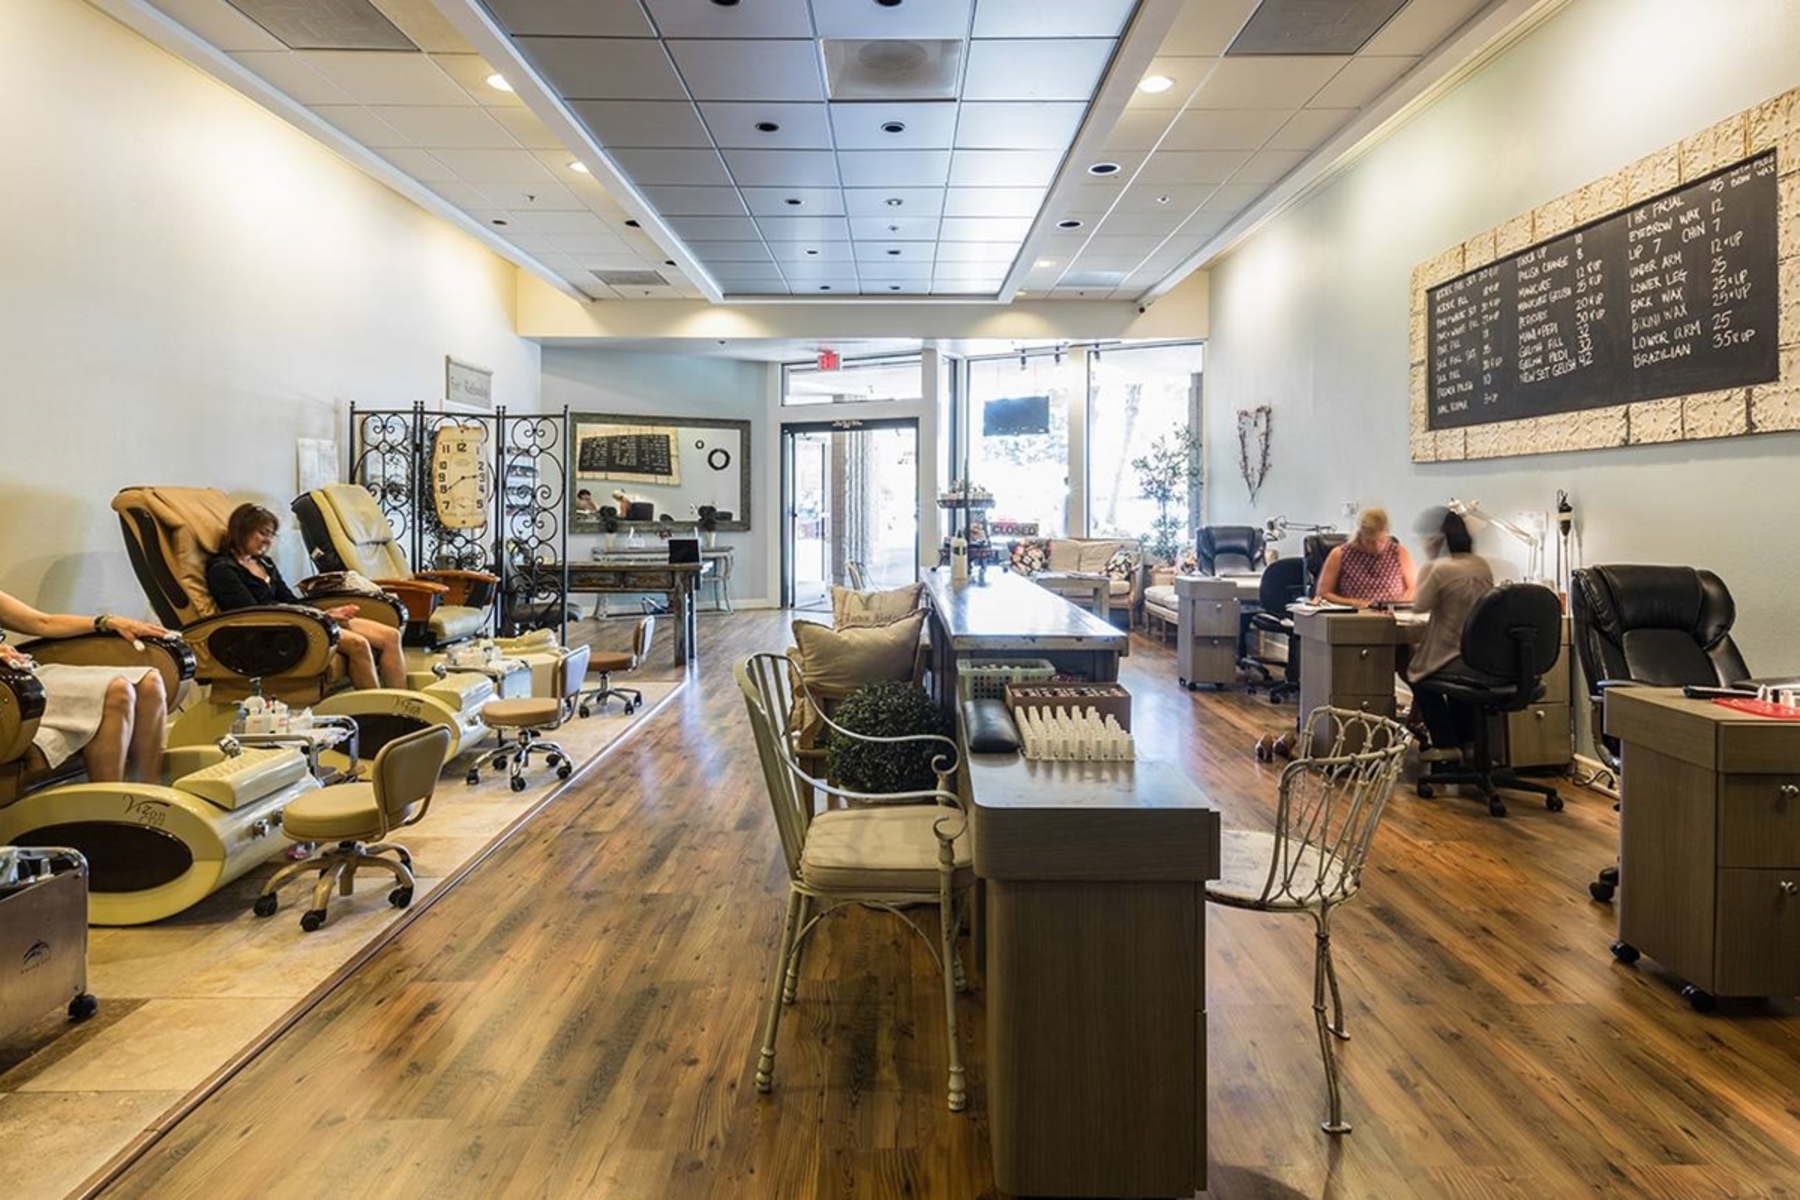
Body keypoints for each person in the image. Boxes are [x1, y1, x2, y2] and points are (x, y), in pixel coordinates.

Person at [207, 503, 407, 690]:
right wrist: (317, 618)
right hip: (274, 632)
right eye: (262, 533)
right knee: (358, 644)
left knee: (391, 636)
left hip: (298, 619)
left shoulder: (265, 563)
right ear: (241, 530)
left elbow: (289, 600)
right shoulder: (223, 570)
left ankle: (405, 705)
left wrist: (325, 613)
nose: (268, 540)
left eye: (271, 534)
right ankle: (378, 710)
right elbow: (253, 614)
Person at [0, 591, 169, 783]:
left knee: (149, 683)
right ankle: (109, 800)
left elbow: (43, 622)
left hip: (26, 674)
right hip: (10, 689)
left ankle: (148, 794)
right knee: (117, 691)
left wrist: (108, 622)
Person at [1407, 508, 1496, 754]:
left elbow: (1420, 605)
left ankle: (1445, 743)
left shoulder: (1440, 569)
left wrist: (1430, 563)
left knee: (1417, 676)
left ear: (1438, 540)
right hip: (1478, 659)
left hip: (1450, 655)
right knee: (1460, 687)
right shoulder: (1482, 565)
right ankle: (1467, 742)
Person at [1314, 506, 1417, 607]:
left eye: (1382, 541)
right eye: (1370, 542)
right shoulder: (1340, 554)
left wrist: (1400, 604)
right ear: (1361, 536)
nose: (1377, 547)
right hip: (1356, 613)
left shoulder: (1399, 552)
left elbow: (1413, 588)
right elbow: (1323, 593)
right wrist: (1352, 602)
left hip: (1392, 612)